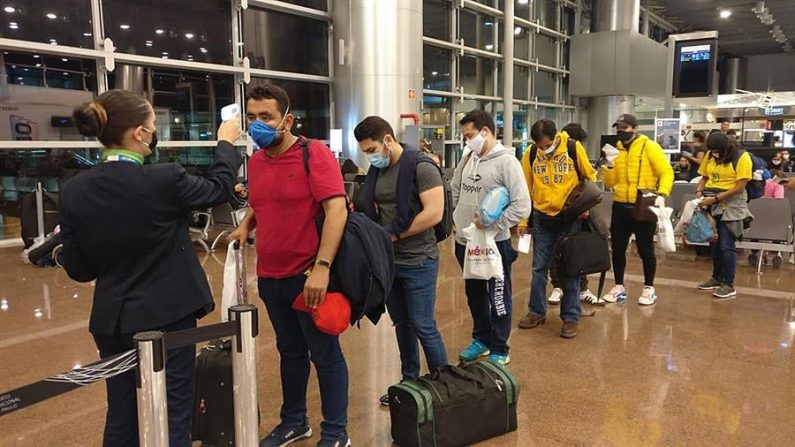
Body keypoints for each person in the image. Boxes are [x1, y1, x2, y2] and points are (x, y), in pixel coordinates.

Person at [60, 89, 243, 447]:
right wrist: (225, 142)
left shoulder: (74, 190)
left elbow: (80, 269)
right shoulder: (164, 179)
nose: (154, 131)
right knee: (175, 409)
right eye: (151, 125)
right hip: (169, 316)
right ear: (138, 134)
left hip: (112, 320)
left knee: (121, 410)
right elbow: (219, 187)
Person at [228, 83, 350, 447]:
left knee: (325, 355)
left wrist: (323, 267)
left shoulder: (314, 154)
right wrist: (246, 223)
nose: (257, 125)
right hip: (270, 276)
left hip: (308, 276)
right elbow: (265, 201)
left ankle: (335, 432)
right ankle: (295, 421)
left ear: (287, 120)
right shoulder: (256, 161)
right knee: (290, 352)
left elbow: (336, 210)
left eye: (266, 117)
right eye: (251, 117)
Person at [354, 116, 448, 405]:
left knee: (422, 324)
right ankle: (410, 380)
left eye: (371, 150)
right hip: (389, 263)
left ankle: (443, 383)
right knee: (402, 324)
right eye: (365, 152)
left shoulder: (422, 166)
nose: (370, 157)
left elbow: (434, 213)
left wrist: (393, 235)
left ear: (387, 140)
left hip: (419, 260)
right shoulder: (376, 171)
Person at [451, 109, 531, 366]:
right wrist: (456, 218)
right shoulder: (468, 157)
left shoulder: (507, 162)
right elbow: (456, 188)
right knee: (474, 294)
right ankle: (482, 339)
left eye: (470, 135)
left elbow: (522, 206)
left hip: (494, 244)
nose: (467, 140)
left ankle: (499, 346)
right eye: (464, 136)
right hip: (466, 242)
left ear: (485, 131)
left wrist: (493, 225)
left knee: (498, 294)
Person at [517, 120, 597, 339]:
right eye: (540, 146)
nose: (544, 149)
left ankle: (570, 317)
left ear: (555, 137)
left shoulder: (572, 148)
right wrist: (523, 221)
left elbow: (589, 177)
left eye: (547, 145)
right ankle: (536, 312)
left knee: (569, 269)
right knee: (539, 268)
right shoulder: (531, 154)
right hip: (543, 217)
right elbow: (525, 189)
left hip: (569, 216)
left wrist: (585, 206)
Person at [601, 114, 674, 305]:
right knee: (617, 249)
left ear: (635, 128)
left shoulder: (648, 146)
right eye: (618, 128)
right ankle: (618, 286)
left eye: (625, 128)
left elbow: (666, 171)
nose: (621, 132)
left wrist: (662, 193)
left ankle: (649, 288)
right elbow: (610, 183)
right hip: (620, 206)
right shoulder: (616, 150)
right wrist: (608, 165)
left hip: (643, 206)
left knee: (645, 249)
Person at [546, 122, 600, 305]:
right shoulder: (567, 149)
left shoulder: (569, 150)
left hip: (573, 210)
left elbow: (588, 177)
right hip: (565, 211)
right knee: (571, 251)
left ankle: (572, 288)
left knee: (566, 251)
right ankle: (566, 287)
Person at [695, 132, 753, 300]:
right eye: (711, 151)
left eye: (716, 151)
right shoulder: (710, 155)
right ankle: (717, 278)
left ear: (726, 148)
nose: (714, 154)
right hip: (712, 199)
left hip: (732, 202)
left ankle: (728, 284)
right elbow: (704, 176)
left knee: (727, 244)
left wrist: (716, 198)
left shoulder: (742, 157)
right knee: (716, 242)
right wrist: (699, 189)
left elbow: (740, 187)